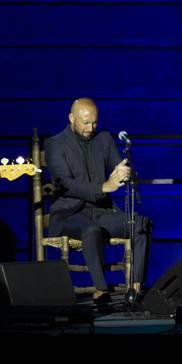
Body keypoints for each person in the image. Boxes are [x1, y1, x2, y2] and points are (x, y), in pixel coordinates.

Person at [43, 98, 152, 304]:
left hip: (101, 211)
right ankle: (101, 291)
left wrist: (125, 171)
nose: (90, 128)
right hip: (70, 213)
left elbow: (119, 166)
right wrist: (105, 187)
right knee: (91, 230)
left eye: (94, 123)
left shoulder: (103, 139)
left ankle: (135, 290)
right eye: (85, 123)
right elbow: (64, 184)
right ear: (71, 118)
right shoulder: (55, 143)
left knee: (140, 224)